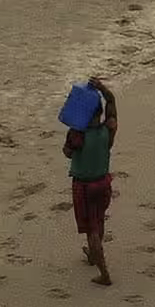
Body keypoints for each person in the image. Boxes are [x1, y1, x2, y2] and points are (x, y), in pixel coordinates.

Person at [61, 78, 117, 284]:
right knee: (98, 220)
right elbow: (112, 104)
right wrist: (103, 88)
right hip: (103, 183)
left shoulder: (77, 135)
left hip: (84, 186)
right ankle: (94, 255)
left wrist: (71, 141)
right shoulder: (107, 131)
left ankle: (104, 274)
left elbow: (67, 153)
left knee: (91, 229)